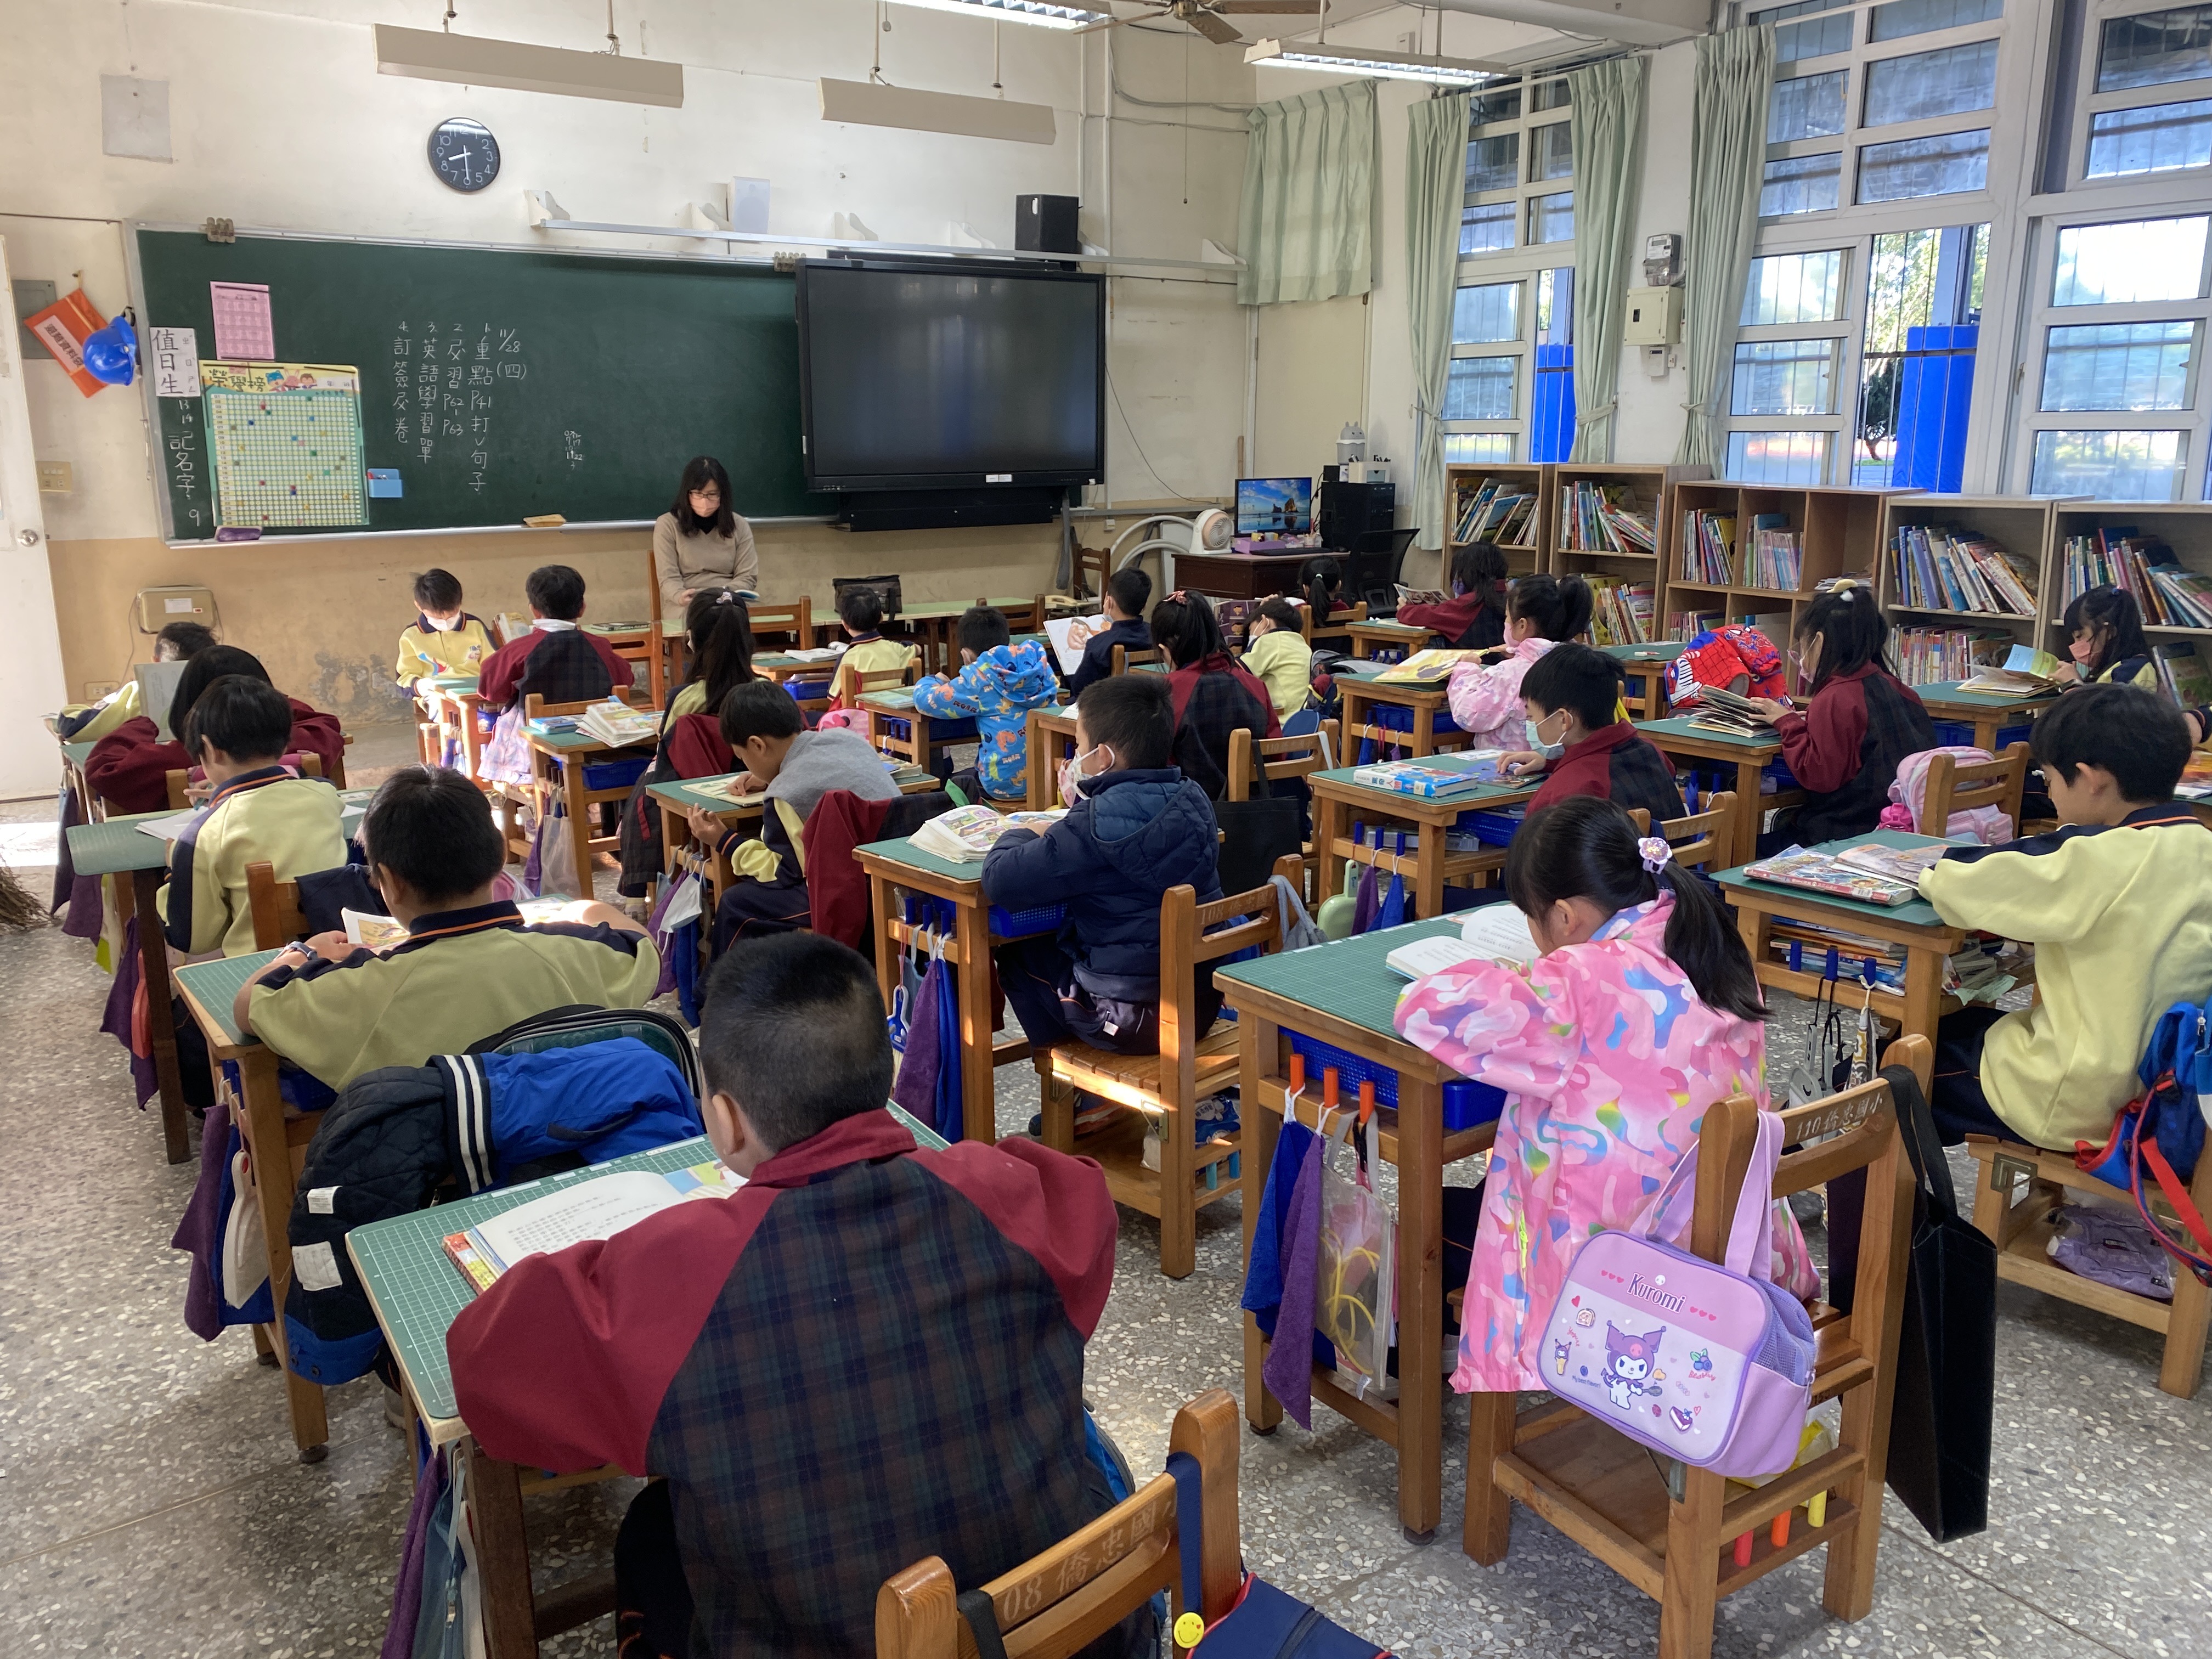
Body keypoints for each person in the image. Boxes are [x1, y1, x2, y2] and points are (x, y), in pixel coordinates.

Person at [447, 932, 1136, 1659]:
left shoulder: (675, 1275)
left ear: (725, 1120)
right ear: (881, 1073)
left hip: (844, 1635)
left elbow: (484, 1368)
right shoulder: (999, 1193)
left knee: (652, 1532)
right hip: (1063, 1631)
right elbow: (1083, 1200)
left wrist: (617, 1263)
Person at [1391, 796, 1819, 1392]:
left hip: (1618, 1282)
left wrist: (1511, 974)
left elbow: (1423, 1009)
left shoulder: (1579, 983)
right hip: (1731, 1247)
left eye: (1532, 919)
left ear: (1565, 917)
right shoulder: (1710, 943)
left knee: (1429, 1221)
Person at [234, 766, 657, 1090]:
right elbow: (643, 946)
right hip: (566, 1142)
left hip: (431, 1163)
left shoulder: (362, 987)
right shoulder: (575, 955)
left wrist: (306, 952)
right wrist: (586, 908)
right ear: (498, 857)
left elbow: (250, 1004)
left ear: (389, 881)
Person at [1918, 685, 2212, 1148]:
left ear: (2091, 779)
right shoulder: (2202, 844)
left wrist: (1932, 872)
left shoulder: (2092, 856)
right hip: (2177, 1096)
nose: (2050, 793)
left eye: (2049, 778)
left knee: (1894, 1068)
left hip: (2082, 1103)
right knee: (1962, 1032)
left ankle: (1877, 1191)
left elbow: (1955, 880)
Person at [986, 674, 1224, 1056]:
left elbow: (1000, 880)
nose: (1075, 756)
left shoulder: (1091, 827)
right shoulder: (1194, 799)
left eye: (1079, 746)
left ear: (1103, 757)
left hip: (1130, 1020)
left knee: (1018, 953)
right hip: (1200, 1005)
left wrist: (1024, 831)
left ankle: (1069, 1075)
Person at [686, 680, 896, 949]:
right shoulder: (848, 739)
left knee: (735, 903)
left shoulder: (786, 794)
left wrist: (726, 841)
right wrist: (773, 774)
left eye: (742, 756)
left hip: (851, 900)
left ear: (757, 746)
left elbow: (786, 873)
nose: (744, 764)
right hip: (896, 878)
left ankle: (725, 978)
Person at [156, 676, 347, 958]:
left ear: (209, 749)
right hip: (336, 955)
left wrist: (173, 868)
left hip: (256, 970)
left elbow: (191, 939)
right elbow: (303, 792)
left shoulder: (202, 835)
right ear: (284, 743)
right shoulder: (325, 795)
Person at [1747, 583, 1934, 848]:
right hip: (1898, 827)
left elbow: (1818, 776)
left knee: (1745, 847)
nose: (1800, 656)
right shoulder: (1899, 689)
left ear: (1819, 642)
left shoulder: (1835, 697)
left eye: (1803, 644)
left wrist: (1787, 722)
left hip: (1847, 835)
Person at [85, 645, 345, 816]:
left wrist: (142, 723)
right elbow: (326, 725)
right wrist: (265, 704)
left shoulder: (179, 757)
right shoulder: (289, 742)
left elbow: (104, 769)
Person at [617, 590, 757, 899]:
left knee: (649, 782)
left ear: (692, 640)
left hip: (695, 812)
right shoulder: (767, 693)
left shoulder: (684, 697)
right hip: (760, 809)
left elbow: (668, 752)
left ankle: (641, 892)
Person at [1503, 642, 1684, 826]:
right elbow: (1603, 758)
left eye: (1530, 716)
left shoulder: (1565, 794)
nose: (1530, 724)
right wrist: (1551, 762)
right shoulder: (1650, 750)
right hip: (1671, 845)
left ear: (1563, 720)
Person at [912, 606, 1060, 803]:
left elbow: (925, 701)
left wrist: (933, 680)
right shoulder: (1037, 664)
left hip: (1004, 786)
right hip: (1053, 779)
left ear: (966, 656)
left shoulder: (978, 676)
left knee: (949, 784)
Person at [1150, 590, 1279, 799]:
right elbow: (1276, 754)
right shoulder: (1254, 684)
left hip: (1191, 808)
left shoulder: (1167, 691)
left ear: (1164, 648)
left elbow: (1157, 764)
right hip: (1256, 809)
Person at [1443, 573, 1593, 751]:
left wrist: (1466, 670)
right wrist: (1520, 653)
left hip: (1505, 763)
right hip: (1558, 763)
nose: (1506, 623)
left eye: (1507, 617)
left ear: (1522, 626)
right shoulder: (1580, 664)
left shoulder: (1509, 674)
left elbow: (1469, 715)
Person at [476, 563, 635, 713]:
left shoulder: (519, 649)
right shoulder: (599, 646)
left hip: (533, 730)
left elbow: (489, 690)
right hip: (594, 727)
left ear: (534, 610)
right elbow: (626, 680)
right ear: (582, 609)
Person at [57, 619, 217, 743]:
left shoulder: (137, 693)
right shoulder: (220, 692)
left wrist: (72, 711)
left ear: (155, 661)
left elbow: (76, 730)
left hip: (151, 770)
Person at [652, 455, 759, 616]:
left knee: (737, 616)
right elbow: (668, 578)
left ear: (722, 495)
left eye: (712, 494)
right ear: (687, 493)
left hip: (729, 600)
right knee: (700, 617)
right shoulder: (667, 525)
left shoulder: (739, 525)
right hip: (687, 603)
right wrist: (680, 596)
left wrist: (724, 594)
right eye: (698, 494)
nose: (704, 501)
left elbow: (747, 576)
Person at [392, 568, 495, 702]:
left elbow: (494, 663)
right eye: (437, 618)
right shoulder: (411, 636)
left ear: (460, 602)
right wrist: (419, 686)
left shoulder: (475, 626)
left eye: (452, 616)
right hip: (436, 695)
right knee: (445, 709)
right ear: (419, 606)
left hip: (476, 691)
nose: (446, 621)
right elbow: (404, 678)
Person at [1397, 541, 1509, 651]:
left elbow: (1427, 616)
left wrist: (1404, 610)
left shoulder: (1470, 603)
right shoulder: (1510, 598)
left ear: (1469, 573)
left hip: (1471, 661)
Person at [1064, 566, 1154, 698]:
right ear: (1144, 606)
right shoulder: (1156, 634)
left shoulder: (1100, 643)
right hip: (1149, 701)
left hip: (1107, 705)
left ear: (1109, 601)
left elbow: (1080, 688)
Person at [825, 584, 918, 710]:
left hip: (861, 719)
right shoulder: (897, 649)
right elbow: (917, 648)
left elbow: (834, 696)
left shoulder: (848, 658)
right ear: (881, 617)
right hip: (896, 717)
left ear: (845, 625)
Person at [2055, 584, 2157, 692]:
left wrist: (2072, 685)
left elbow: (2103, 704)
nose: (2076, 645)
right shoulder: (2110, 667)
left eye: (2079, 636)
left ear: (2109, 631)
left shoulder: (2133, 671)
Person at [1241, 597, 1315, 722]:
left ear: (1264, 622)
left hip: (1278, 724)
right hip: (1301, 722)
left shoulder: (1270, 641)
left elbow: (1237, 672)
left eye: (1251, 630)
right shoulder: (1302, 645)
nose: (1252, 635)